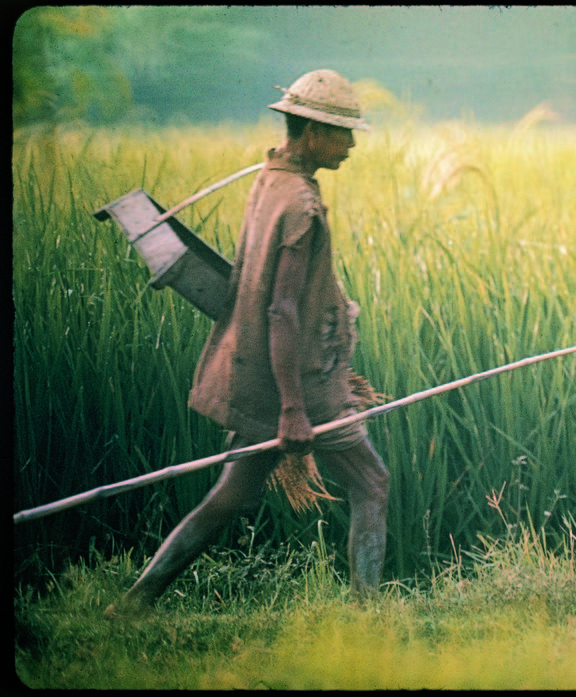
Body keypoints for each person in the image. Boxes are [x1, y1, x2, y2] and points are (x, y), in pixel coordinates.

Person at [106, 69, 389, 616]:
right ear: (310, 131)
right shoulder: (300, 205)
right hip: (302, 379)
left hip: (256, 370)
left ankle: (134, 603)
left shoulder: (271, 179)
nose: (351, 145)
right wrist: (292, 409)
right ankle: (367, 617)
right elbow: (281, 310)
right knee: (372, 482)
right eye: (341, 133)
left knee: (231, 495)